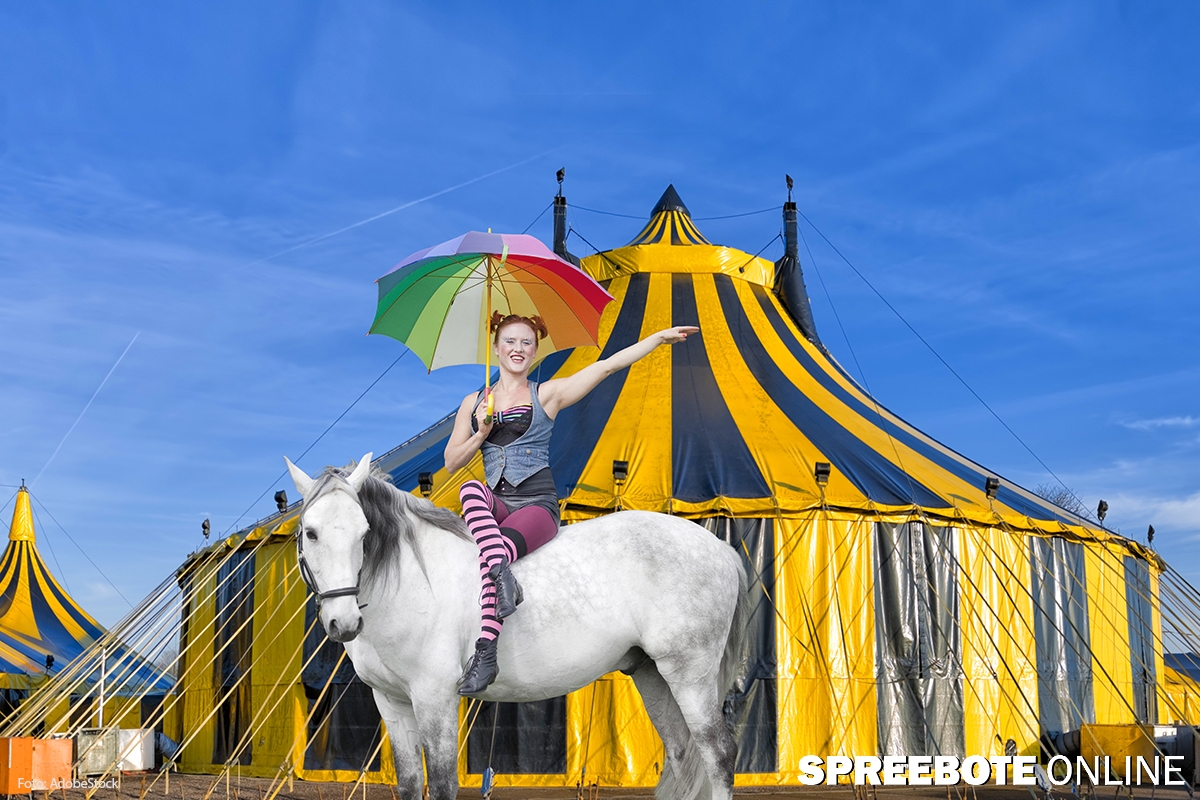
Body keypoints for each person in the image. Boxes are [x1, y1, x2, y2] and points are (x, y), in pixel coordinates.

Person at [444, 311, 698, 695]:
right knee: (469, 489)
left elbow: (606, 367)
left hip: (535, 505)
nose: (518, 348)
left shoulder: (547, 394)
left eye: (526, 342)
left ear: (535, 351)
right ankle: (502, 575)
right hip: (497, 501)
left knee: (488, 555)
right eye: (510, 341)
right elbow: (451, 462)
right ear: (496, 348)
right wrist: (481, 432)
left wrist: (657, 339)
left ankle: (486, 650)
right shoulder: (474, 402)